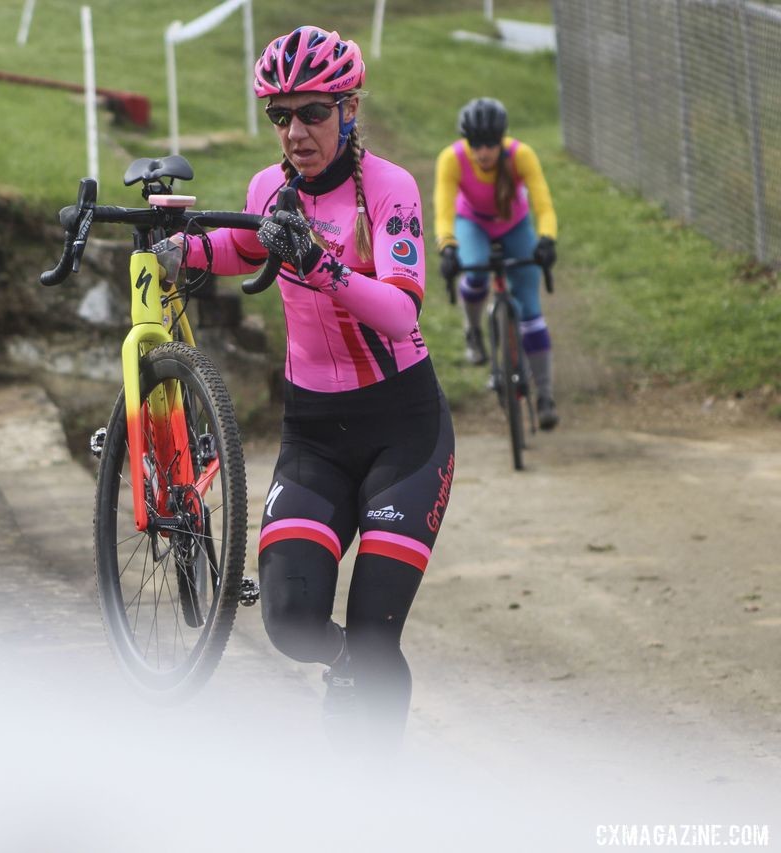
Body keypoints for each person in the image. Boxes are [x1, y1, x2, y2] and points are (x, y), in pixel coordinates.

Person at [160, 26, 453, 750]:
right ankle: (347, 667)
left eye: (314, 112)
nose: (296, 131)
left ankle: (376, 783)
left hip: (403, 433)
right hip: (314, 435)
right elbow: (237, 246)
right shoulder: (269, 188)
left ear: (349, 110)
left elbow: (400, 307)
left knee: (378, 626)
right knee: (291, 621)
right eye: (280, 115)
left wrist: (321, 265)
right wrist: (167, 243)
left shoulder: (389, 189)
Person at [434, 97, 560, 429]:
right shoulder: (452, 159)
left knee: (531, 309)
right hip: (472, 223)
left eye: (490, 143)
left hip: (514, 223)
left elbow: (543, 204)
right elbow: (444, 209)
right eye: (476, 144)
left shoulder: (521, 155)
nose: (483, 152)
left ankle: (545, 394)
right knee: (473, 271)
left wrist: (546, 239)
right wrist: (447, 245)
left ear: (502, 139)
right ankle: (474, 331)